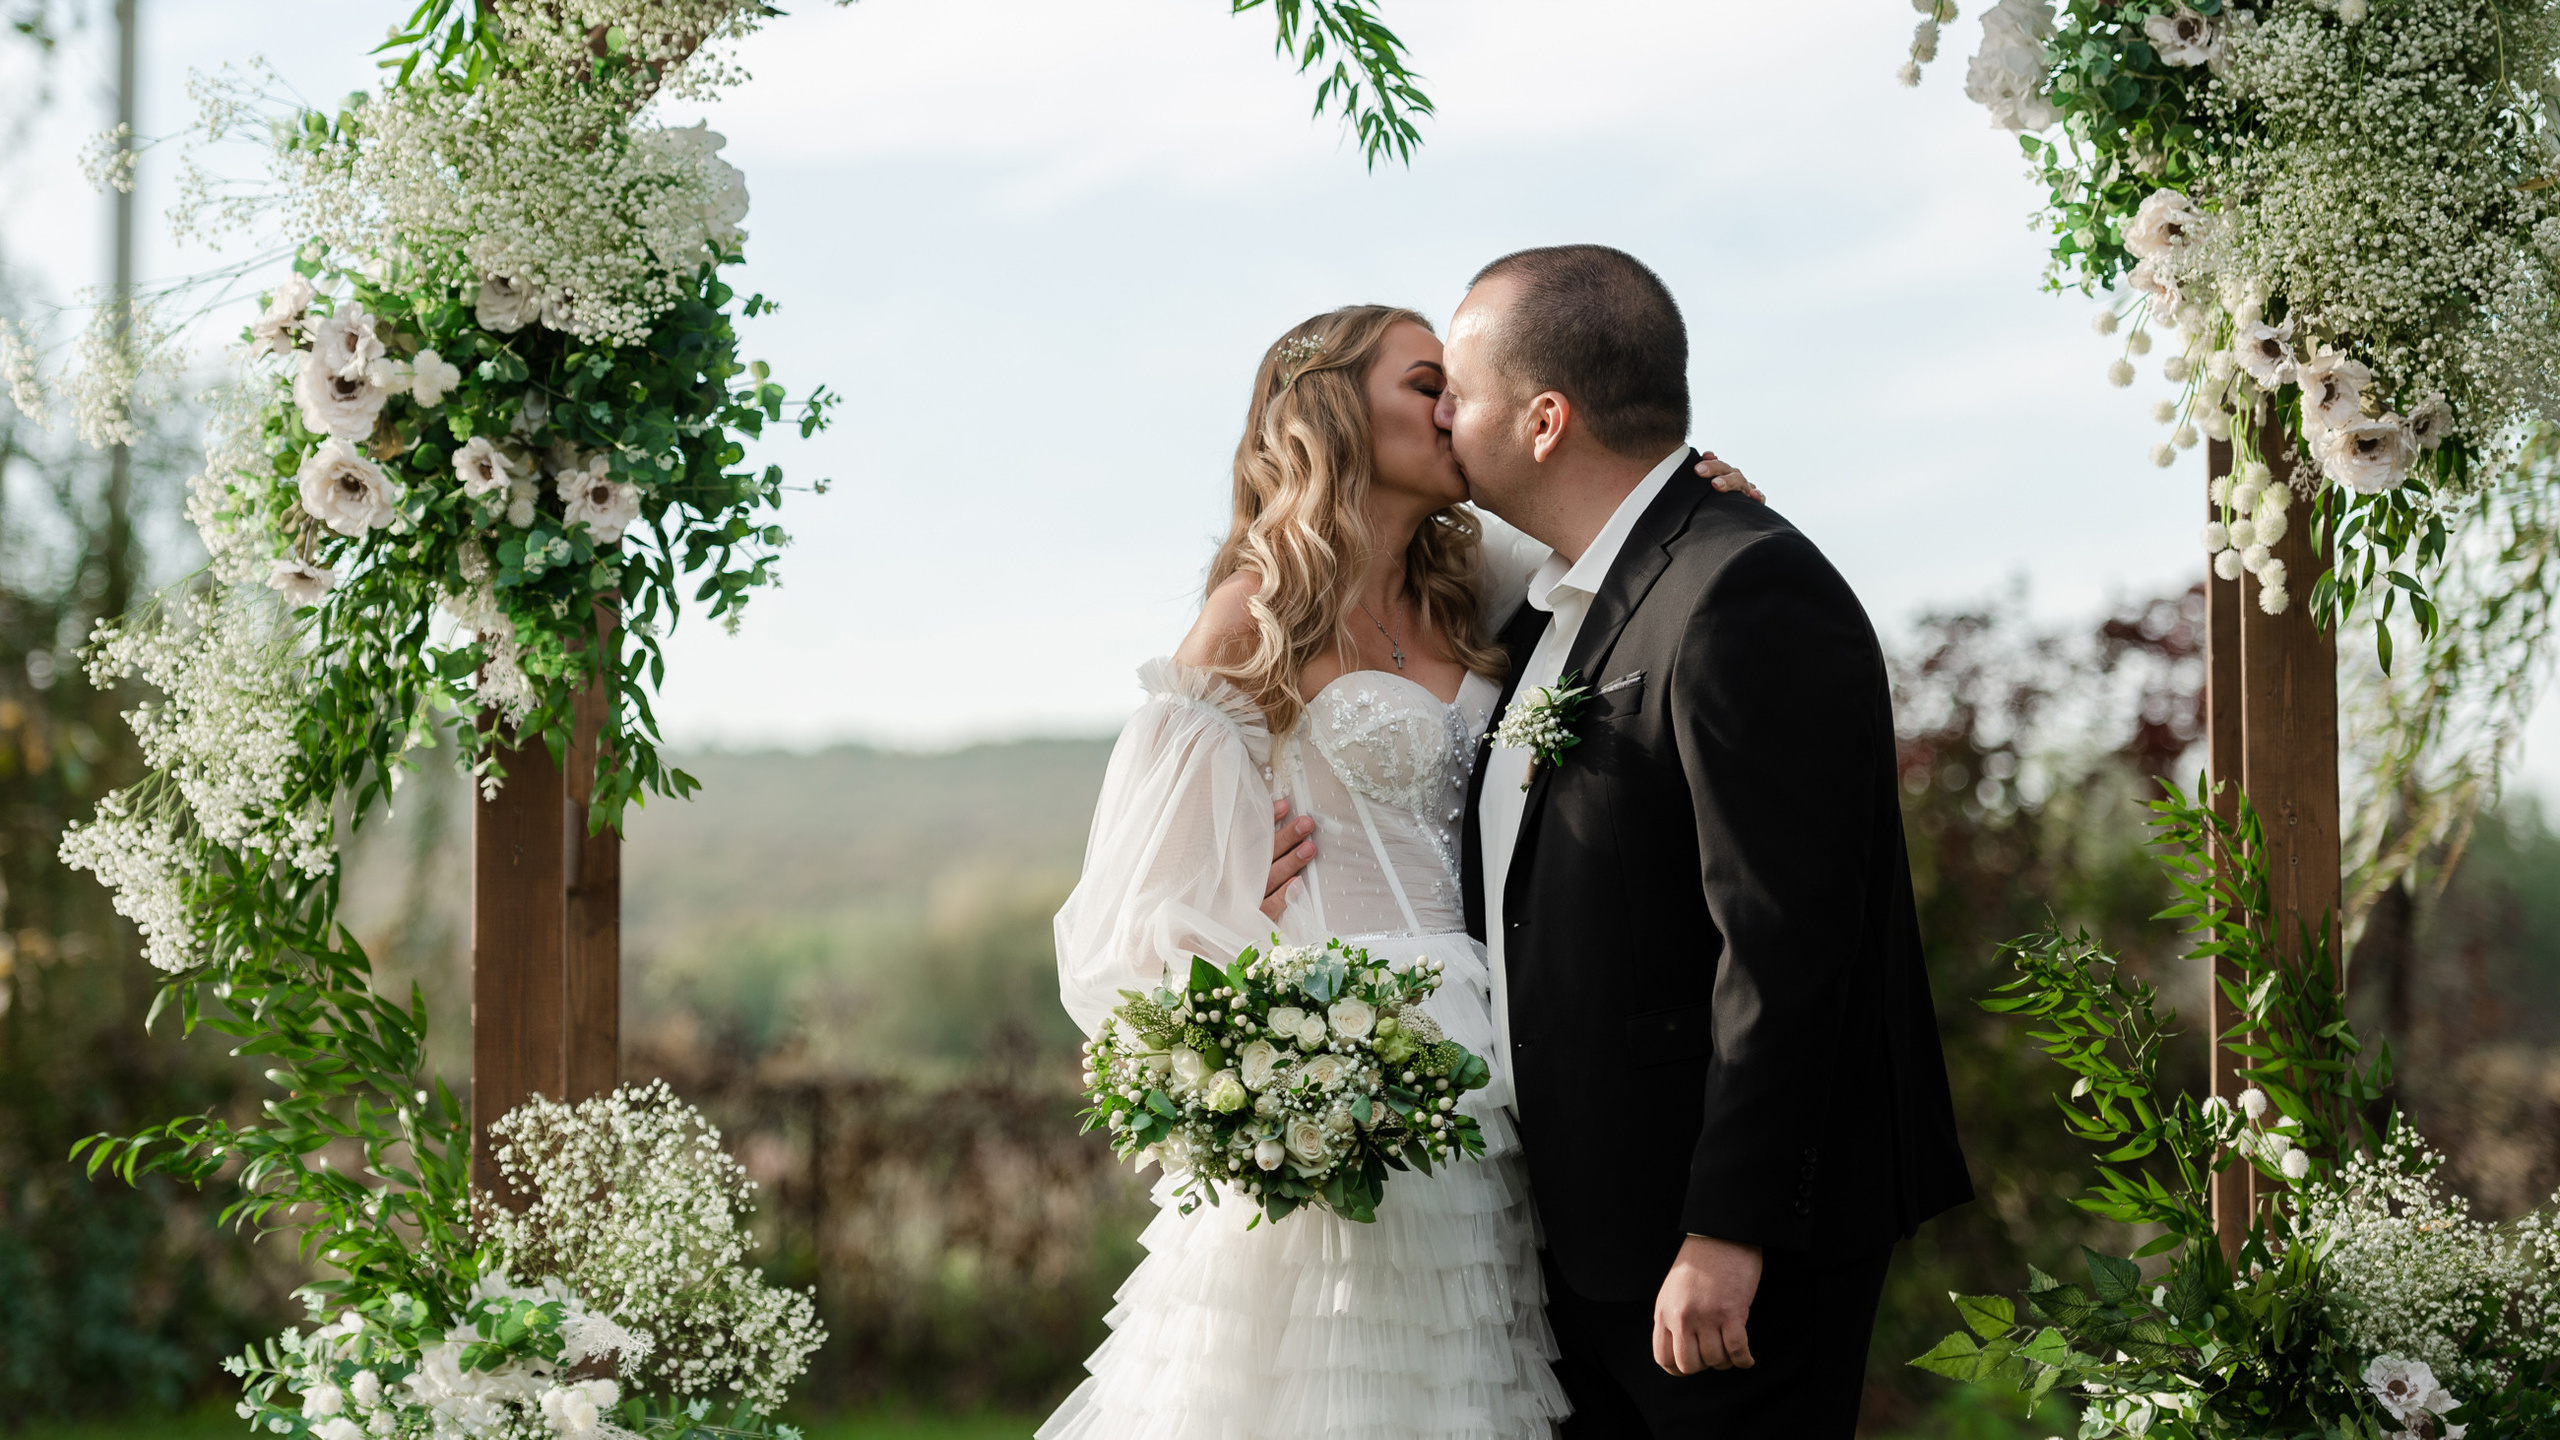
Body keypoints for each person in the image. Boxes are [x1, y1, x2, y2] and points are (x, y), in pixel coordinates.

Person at [1040, 302, 1752, 1440]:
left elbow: (1623, 538)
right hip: (1338, 1070)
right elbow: (1140, 917)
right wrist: (1252, 963)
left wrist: (1689, 489)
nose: (1456, 408)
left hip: (1496, 1059)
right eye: (1428, 383)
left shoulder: (1475, 582)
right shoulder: (1250, 619)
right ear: (1331, 410)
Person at [1437, 244, 1976, 1437]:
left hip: (1716, 1245)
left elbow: (1788, 942)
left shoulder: (1742, 589)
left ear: (1542, 419)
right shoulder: (1561, 605)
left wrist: (1727, 1230)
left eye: (1455, 393)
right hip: (1585, 1234)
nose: (1438, 417)